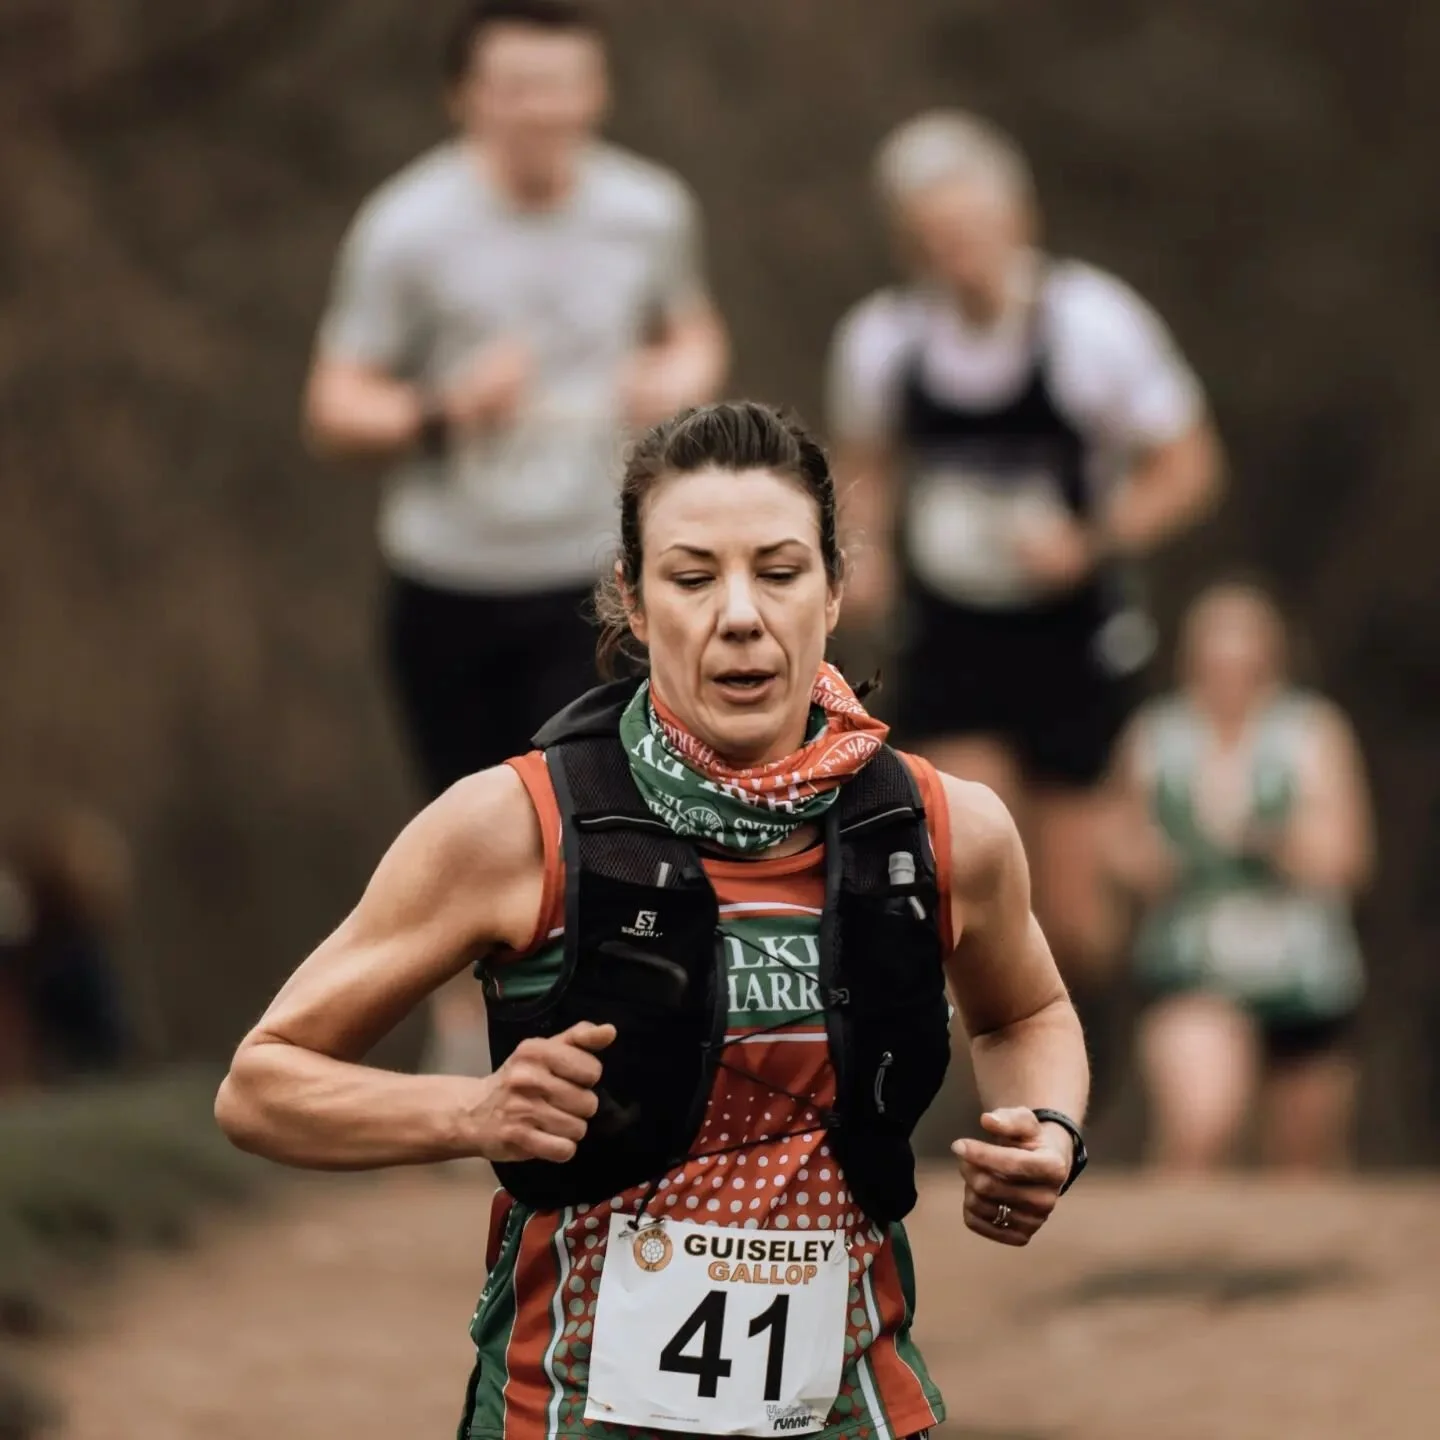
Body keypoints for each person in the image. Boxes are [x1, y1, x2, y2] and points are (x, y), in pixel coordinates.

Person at [217, 402, 1090, 1440]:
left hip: (848, 1411)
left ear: (835, 589)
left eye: (779, 572)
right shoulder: (516, 827)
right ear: (632, 601)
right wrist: (470, 1112)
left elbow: (1026, 1013)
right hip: (567, 1411)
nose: (740, 615)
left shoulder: (945, 830)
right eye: (692, 577)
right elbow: (262, 1087)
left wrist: (1047, 1130)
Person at [304, 0, 727, 1075]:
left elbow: (693, 329)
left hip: (592, 573)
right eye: (517, 87)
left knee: (591, 811)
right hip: (449, 573)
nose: (543, 110)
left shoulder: (648, 209)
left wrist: (678, 375)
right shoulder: (407, 227)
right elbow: (334, 404)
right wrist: (444, 410)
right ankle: (469, 1045)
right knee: (465, 826)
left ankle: (598, 1046)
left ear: (598, 91)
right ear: (466, 97)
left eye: (563, 84)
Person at [827, 110, 1223, 1006]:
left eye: (971, 229)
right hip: (952, 629)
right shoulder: (883, 341)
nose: (956, 254)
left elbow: (1190, 467)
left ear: (1019, 219)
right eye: (934, 237)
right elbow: (866, 468)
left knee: (1073, 918)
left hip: (1071, 634)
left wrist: (1091, 541)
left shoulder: (1094, 325)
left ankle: (1090, 1034)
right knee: (971, 864)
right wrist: (866, 551)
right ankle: (996, 1060)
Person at [1107, 580, 1373, 1171]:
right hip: (1194, 962)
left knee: (1305, 1159)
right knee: (1199, 1126)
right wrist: (1153, 858)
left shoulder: (1312, 732)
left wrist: (1277, 842)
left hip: (1304, 973)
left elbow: (1348, 857)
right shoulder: (1157, 736)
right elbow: (1119, 840)